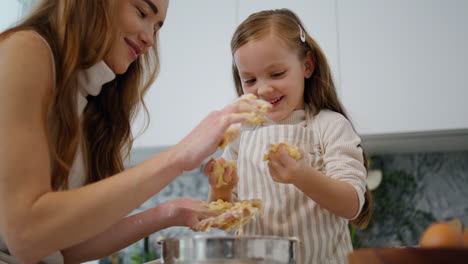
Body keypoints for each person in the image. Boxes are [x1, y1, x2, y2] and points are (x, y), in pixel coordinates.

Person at [0, 0, 265, 263]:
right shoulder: (25, 50)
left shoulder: (90, 98)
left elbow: (62, 250)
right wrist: (180, 155)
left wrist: (171, 212)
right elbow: (27, 236)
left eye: (157, 28)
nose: (150, 39)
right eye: (141, 12)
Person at [204, 9, 373, 263]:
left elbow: (351, 205)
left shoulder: (330, 126)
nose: (263, 89)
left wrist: (301, 175)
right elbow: (223, 222)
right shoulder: (241, 136)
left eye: (276, 74)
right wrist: (221, 190)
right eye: (249, 80)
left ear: (307, 65)